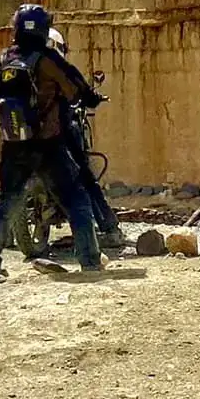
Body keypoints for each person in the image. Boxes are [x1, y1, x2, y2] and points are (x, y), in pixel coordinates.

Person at [0, 4, 105, 278]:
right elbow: (75, 88)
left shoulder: (3, 59)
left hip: (13, 144)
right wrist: (91, 98)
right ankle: (90, 261)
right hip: (47, 145)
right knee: (76, 198)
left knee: (6, 201)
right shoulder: (47, 58)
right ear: (44, 30)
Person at [46, 25, 126, 251]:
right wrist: (95, 98)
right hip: (59, 134)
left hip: (24, 138)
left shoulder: (16, 68)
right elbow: (85, 95)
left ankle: (4, 236)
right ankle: (108, 228)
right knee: (85, 177)